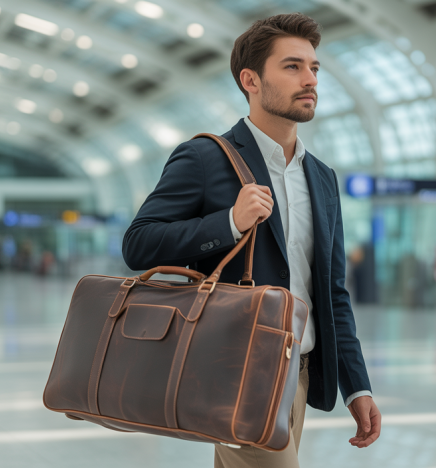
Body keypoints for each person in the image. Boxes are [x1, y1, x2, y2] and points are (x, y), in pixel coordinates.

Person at [123, 13, 380, 468]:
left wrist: (355, 386)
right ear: (251, 80)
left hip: (300, 371)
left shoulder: (322, 178)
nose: (309, 80)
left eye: (314, 68)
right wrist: (228, 222)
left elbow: (332, 293)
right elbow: (139, 244)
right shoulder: (205, 158)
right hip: (236, 368)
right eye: (292, 67)